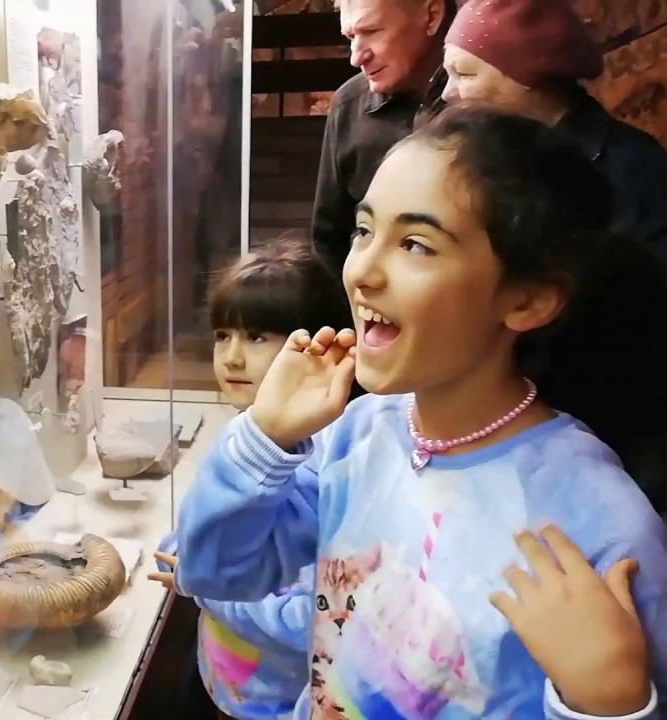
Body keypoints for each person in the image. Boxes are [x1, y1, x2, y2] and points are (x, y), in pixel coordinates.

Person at [175, 108, 667, 718]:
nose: (361, 272)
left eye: (415, 244)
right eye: (363, 231)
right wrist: (263, 439)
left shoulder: (600, 526)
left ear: (529, 299)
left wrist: (609, 702)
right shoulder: (357, 435)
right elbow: (215, 572)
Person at [151, 237, 352, 720]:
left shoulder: (329, 459)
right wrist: (187, 549)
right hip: (227, 683)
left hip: (278, 704)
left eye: (257, 337)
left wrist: (203, 584)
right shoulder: (251, 431)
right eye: (223, 335)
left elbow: (312, 620)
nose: (232, 358)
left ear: (318, 342)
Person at [442, 0, 667, 260]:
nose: (447, 94)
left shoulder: (631, 168)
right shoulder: (488, 157)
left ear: (527, 75)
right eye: (448, 75)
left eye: (464, 75)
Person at [310, 0, 456, 273]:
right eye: (351, 37)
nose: (356, 57)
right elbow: (328, 242)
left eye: (372, 31)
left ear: (432, 15)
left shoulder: (482, 97)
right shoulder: (348, 106)